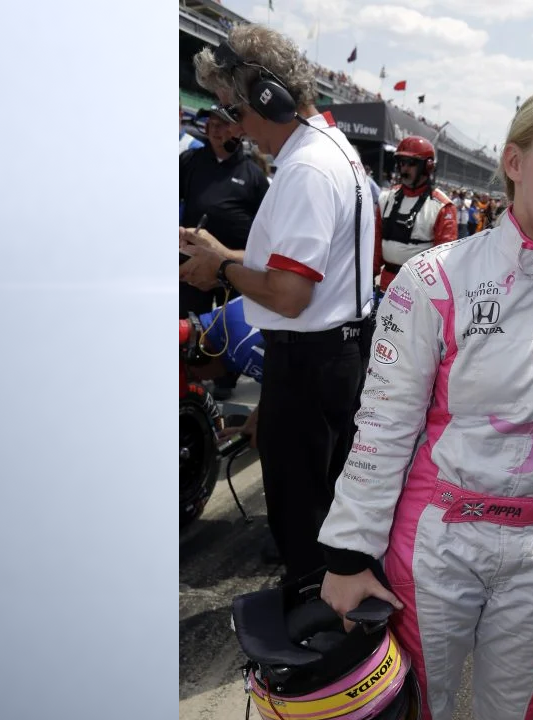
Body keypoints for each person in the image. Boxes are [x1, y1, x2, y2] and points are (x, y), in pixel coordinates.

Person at [316, 86, 533, 720]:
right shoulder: (434, 280)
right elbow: (382, 428)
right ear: (513, 161)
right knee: (419, 706)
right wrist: (347, 554)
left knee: (521, 710)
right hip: (435, 544)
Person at [179, 23, 375, 591]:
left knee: (300, 515)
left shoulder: (307, 169)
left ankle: (318, 625)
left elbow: (290, 294)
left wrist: (220, 267)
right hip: (335, 356)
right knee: (323, 505)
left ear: (269, 98)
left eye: (234, 111)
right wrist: (224, 252)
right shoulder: (332, 148)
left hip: (308, 361)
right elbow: (302, 262)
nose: (237, 128)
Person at [179, 106, 272, 399]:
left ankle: (224, 378)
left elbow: (267, 226)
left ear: (238, 130)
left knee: (228, 323)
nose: (214, 129)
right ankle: (188, 373)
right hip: (194, 260)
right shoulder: (190, 160)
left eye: (223, 124)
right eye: (212, 123)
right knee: (189, 317)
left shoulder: (254, 175)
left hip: (233, 265)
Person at [374, 135, 457, 293]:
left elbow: (444, 261)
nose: (404, 168)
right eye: (401, 162)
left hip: (418, 292)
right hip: (385, 287)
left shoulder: (443, 207)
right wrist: (370, 275)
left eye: (411, 163)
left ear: (427, 167)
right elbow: (376, 245)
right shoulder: (385, 198)